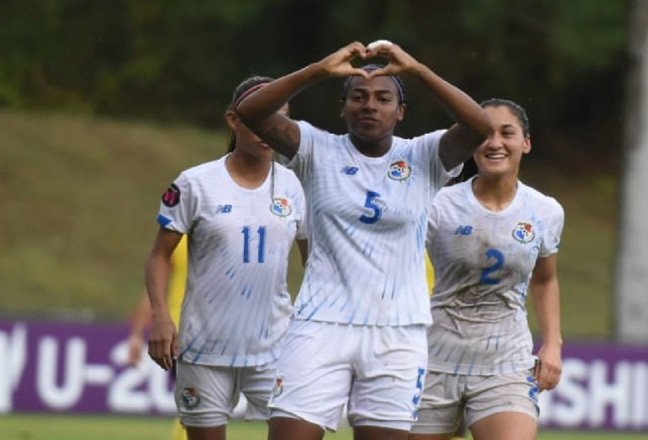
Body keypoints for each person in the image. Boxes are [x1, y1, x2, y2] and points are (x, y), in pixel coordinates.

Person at [235, 41, 492, 440]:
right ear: (343, 107)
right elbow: (251, 111)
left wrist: (418, 70)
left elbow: (480, 127)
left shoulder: (425, 156)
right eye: (358, 96)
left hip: (398, 330)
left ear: (400, 111)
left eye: (383, 97)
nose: (369, 105)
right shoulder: (315, 148)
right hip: (321, 323)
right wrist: (318, 70)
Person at [145, 76, 307, 440]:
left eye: (279, 119)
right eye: (259, 117)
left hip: (277, 348)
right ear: (234, 119)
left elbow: (315, 265)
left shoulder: (295, 186)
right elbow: (159, 256)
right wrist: (160, 316)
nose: (269, 128)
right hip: (204, 349)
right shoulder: (195, 184)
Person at [409, 99, 565, 440]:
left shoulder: (545, 211)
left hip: (505, 363)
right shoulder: (438, 205)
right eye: (484, 134)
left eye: (506, 133)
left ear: (526, 142)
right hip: (435, 359)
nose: (495, 143)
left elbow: (545, 279)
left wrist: (553, 344)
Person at [128, 235, 188, 440]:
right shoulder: (180, 238)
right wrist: (137, 334)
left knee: (194, 406)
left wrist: (136, 335)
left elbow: (154, 290)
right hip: (181, 333)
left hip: (180, 330)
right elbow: (154, 289)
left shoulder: (179, 238)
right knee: (197, 405)